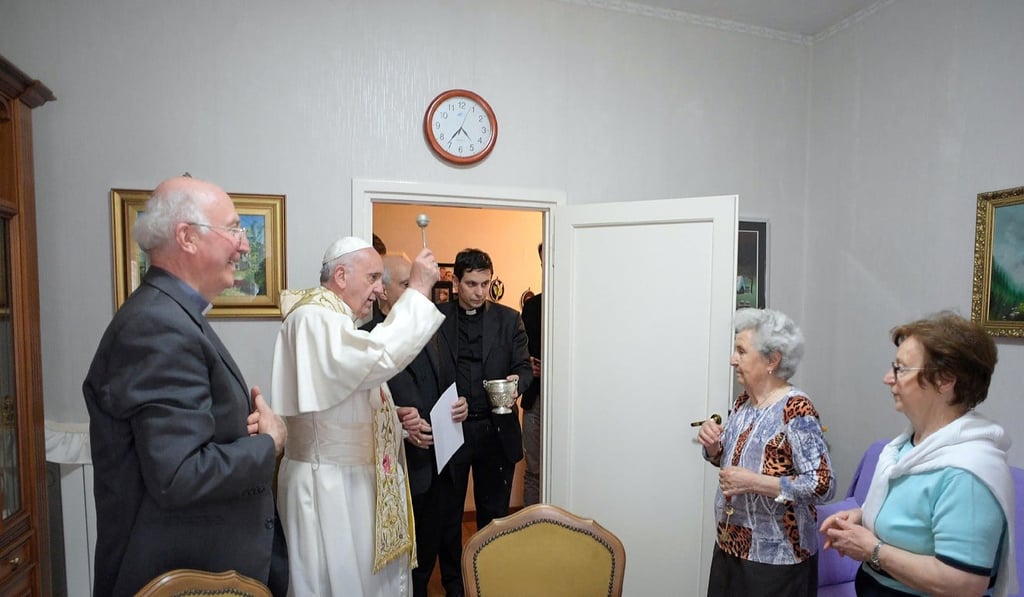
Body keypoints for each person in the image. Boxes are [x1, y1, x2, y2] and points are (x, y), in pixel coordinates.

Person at [82, 175, 289, 597]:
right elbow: (180, 474)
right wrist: (269, 443)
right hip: (181, 577)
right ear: (187, 237)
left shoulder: (171, 314)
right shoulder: (159, 325)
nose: (245, 245)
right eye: (233, 229)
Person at [270, 237, 443, 596]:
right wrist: (420, 289)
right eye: (373, 277)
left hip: (349, 480)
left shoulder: (333, 319)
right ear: (341, 275)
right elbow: (375, 359)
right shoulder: (314, 317)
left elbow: (337, 396)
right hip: (329, 485)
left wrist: (389, 416)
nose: (380, 290)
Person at [820, 311, 1018, 597]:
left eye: (901, 369)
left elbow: (964, 583)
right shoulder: (906, 447)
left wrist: (872, 549)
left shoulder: (968, 473)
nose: (888, 378)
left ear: (945, 381)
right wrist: (862, 517)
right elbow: (910, 521)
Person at [697, 308, 834, 597]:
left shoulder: (796, 409)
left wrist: (755, 483)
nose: (732, 359)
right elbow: (731, 461)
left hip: (776, 561)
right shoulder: (743, 403)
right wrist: (712, 447)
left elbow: (822, 484)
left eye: (741, 351)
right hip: (730, 546)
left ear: (772, 360)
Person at [361, 253, 469, 597]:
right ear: (383, 291)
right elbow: (358, 409)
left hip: (441, 465)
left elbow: (444, 383)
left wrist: (460, 405)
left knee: (428, 560)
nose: (416, 292)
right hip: (400, 472)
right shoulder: (365, 338)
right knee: (401, 572)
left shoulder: (430, 330)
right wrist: (400, 424)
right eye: (408, 285)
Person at [435, 248, 533, 579]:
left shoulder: (508, 319)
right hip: (452, 429)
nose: (480, 292)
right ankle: (453, 583)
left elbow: (524, 366)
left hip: (496, 429)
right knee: (448, 515)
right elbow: (424, 372)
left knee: (494, 515)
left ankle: (490, 579)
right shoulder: (436, 319)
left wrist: (516, 382)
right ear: (456, 282)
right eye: (472, 284)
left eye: (485, 283)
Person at [519, 243, 543, 506]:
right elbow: (520, 354)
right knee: (534, 472)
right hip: (535, 400)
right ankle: (531, 535)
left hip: (569, 403)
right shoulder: (532, 307)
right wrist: (527, 365)